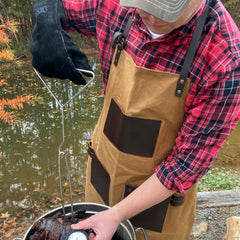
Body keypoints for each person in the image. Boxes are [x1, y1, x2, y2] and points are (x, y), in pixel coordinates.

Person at [29, 0, 240, 239]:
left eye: (166, 10)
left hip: (158, 205)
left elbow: (186, 164)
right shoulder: (116, 6)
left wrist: (116, 215)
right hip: (103, 175)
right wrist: (45, 20)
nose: (152, 17)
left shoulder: (225, 58)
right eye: (144, 4)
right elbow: (57, 5)